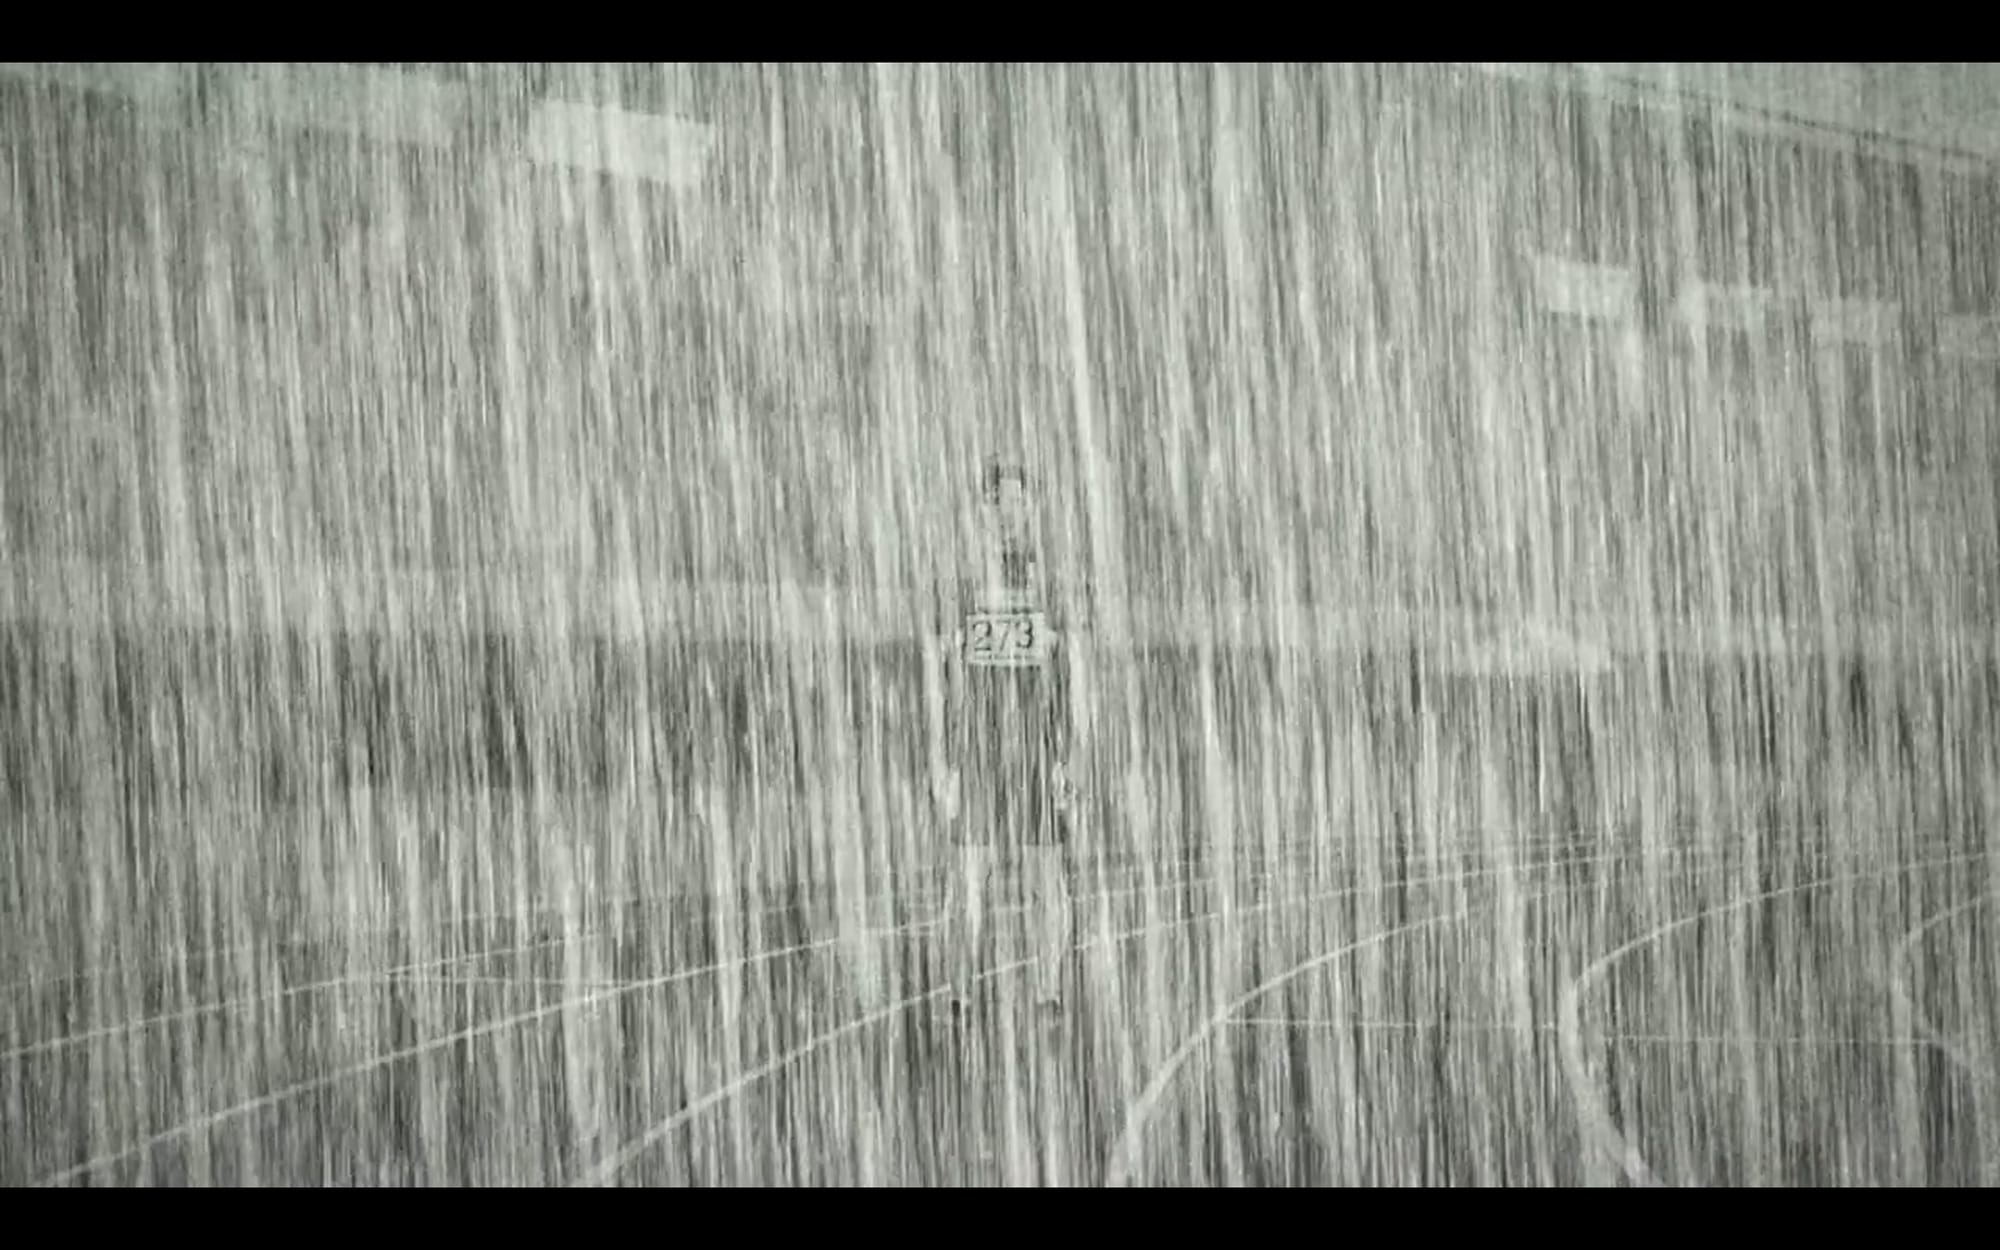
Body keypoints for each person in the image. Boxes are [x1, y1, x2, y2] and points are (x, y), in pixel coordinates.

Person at [923, 459, 1090, 1022]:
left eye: (1019, 503)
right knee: (966, 885)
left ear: (1031, 509)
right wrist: (939, 761)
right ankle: (959, 996)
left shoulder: (1051, 583)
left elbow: (1075, 675)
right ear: (985, 511)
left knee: (1048, 880)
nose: (1010, 514)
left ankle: (1047, 994)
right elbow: (937, 672)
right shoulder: (963, 584)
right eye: (1000, 504)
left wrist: (1072, 760)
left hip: (1038, 756)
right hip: (977, 755)